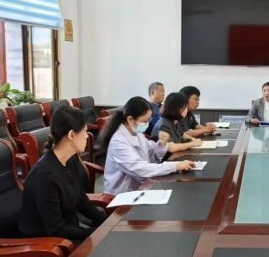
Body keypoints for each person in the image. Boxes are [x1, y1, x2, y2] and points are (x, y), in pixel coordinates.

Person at [19, 106, 106, 242]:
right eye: (84, 131)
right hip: (47, 244)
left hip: (69, 229)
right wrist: (94, 233)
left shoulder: (71, 159)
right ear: (71, 135)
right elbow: (56, 229)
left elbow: (81, 199)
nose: (87, 136)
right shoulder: (44, 175)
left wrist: (106, 221)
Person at [102, 96, 195, 195]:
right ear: (130, 119)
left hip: (141, 186)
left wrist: (161, 144)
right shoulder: (118, 142)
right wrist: (174, 166)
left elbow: (150, 154)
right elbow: (140, 169)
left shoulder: (137, 134)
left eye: (149, 120)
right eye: (145, 121)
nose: (147, 124)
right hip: (122, 194)